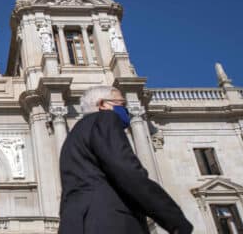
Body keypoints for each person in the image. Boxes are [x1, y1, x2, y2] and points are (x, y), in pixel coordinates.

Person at [59, 86, 193, 234]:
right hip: (109, 221)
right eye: (122, 105)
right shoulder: (105, 119)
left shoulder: (72, 138)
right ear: (103, 104)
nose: (126, 111)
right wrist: (175, 220)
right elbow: (127, 171)